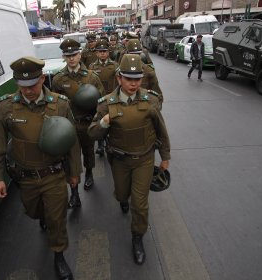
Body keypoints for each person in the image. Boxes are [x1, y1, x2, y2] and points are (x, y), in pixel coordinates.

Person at [0, 56, 82, 280]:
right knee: (34, 211)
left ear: (42, 79)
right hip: (26, 177)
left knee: (56, 218)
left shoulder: (60, 104)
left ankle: (59, 255)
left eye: (33, 84)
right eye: (23, 85)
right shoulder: (6, 107)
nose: (28, 90)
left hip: (54, 174)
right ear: (17, 83)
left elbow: (72, 143)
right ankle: (42, 217)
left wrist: (74, 173)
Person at [88, 54, 171, 265]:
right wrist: (105, 122)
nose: (134, 83)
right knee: (122, 194)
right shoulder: (106, 104)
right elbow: (92, 134)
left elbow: (161, 130)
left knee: (140, 204)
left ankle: (137, 238)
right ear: (119, 79)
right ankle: (122, 199)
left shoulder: (150, 100)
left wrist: (165, 157)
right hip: (120, 161)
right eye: (128, 79)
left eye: (137, 79)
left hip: (144, 159)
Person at [52, 39, 105, 207]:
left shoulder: (91, 77)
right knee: (70, 158)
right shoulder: (59, 79)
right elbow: (54, 103)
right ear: (64, 57)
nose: (71, 59)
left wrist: (97, 117)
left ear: (80, 54)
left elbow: (102, 100)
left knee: (88, 151)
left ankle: (89, 173)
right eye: (68, 56)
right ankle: (74, 193)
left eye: (74, 55)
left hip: (86, 123)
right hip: (68, 126)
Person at [89, 39, 119, 157]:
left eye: (104, 51)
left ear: (108, 52)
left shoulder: (115, 65)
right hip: (98, 99)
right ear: (96, 53)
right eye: (100, 51)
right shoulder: (92, 66)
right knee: (100, 122)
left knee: (113, 122)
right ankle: (101, 145)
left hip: (112, 98)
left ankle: (111, 144)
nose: (102, 53)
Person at [125, 39, 163, 108]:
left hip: (144, 107)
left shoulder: (149, 71)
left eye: (137, 54)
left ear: (141, 54)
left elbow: (157, 94)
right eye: (132, 54)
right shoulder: (121, 71)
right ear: (127, 53)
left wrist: (155, 109)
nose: (135, 57)